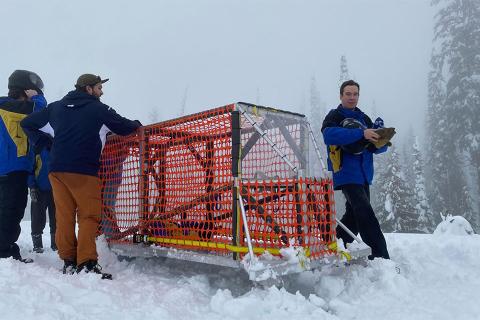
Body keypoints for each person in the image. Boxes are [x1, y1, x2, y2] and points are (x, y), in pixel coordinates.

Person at [21, 74, 141, 279]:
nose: (101, 92)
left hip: (56, 170)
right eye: (98, 88)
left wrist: (44, 144)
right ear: (88, 89)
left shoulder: (56, 107)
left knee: (64, 216)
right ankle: (86, 263)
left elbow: (27, 123)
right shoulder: (98, 109)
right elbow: (124, 126)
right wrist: (138, 124)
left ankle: (68, 260)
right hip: (84, 170)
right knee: (89, 216)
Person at [321, 80, 390, 260]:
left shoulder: (364, 118)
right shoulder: (334, 115)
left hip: (364, 175)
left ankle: (332, 246)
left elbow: (376, 149)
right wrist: (362, 133)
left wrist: (381, 137)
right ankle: (380, 257)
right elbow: (329, 135)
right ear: (341, 96)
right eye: (348, 94)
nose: (352, 97)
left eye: (355, 94)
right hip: (346, 173)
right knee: (365, 213)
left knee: (353, 217)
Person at [0, 70, 47, 262]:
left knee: (14, 209)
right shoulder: (9, 106)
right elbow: (40, 112)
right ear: (25, 90)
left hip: (15, 169)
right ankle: (3, 251)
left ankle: (8, 247)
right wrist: (38, 97)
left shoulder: (12, 108)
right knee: (9, 210)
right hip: (10, 170)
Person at [29, 146, 57, 253]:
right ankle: (37, 244)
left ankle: (56, 243)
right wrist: (32, 187)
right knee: (37, 217)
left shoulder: (57, 145)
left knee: (57, 217)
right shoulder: (36, 147)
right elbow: (30, 168)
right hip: (39, 188)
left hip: (57, 188)